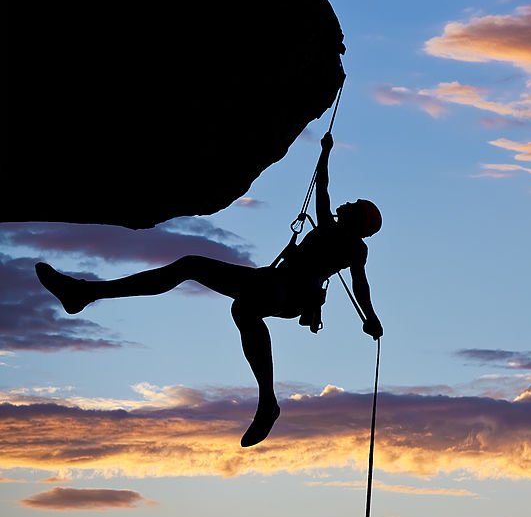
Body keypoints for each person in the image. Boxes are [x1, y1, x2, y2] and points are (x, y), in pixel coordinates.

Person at [35, 132, 383, 447]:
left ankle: (85, 294)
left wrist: (370, 319)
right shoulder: (335, 232)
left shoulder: (351, 245)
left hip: (289, 290)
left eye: (355, 206)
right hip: (276, 284)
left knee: (220, 289)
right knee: (217, 288)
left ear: (359, 222)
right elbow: (323, 192)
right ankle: (85, 293)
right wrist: (324, 154)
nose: (347, 205)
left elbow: (359, 284)